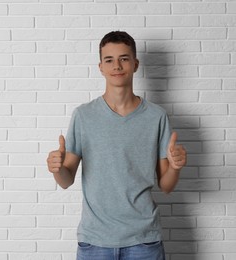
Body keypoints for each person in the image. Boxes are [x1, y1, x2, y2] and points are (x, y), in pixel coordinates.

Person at [46, 31, 187, 260]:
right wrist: (58, 169)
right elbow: (66, 180)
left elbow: (167, 186)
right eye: (109, 60)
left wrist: (176, 167)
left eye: (124, 58)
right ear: (100, 66)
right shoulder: (83, 116)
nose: (117, 65)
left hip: (144, 242)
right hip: (95, 242)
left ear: (135, 64)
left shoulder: (156, 117)